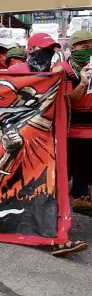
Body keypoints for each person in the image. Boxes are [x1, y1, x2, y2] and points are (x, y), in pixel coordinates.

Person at [59, 30, 92, 217]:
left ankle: (81, 196)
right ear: (73, 48)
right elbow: (65, 101)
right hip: (72, 131)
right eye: (85, 47)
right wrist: (82, 83)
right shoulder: (63, 70)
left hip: (90, 131)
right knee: (71, 167)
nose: (89, 51)